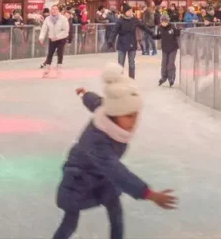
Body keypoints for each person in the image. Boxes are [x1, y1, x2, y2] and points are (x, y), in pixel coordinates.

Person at [52, 63, 177, 239]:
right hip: (79, 175)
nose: (133, 121)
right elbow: (116, 172)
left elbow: (96, 102)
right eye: (128, 116)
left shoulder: (109, 109)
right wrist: (148, 194)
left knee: (115, 211)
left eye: (135, 114)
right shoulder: (98, 142)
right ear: (116, 113)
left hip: (101, 176)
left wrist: (85, 94)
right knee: (70, 220)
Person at [114, 6, 156, 79]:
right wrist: (110, 41)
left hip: (131, 43)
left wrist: (151, 33)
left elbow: (143, 27)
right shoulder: (120, 21)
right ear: (125, 12)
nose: (131, 12)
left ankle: (131, 79)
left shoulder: (134, 20)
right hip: (122, 44)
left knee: (132, 64)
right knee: (120, 64)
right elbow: (114, 31)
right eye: (129, 11)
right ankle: (119, 79)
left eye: (131, 11)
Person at [40, 4, 71, 78]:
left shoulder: (63, 18)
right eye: (52, 9)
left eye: (55, 9)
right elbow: (44, 29)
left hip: (62, 38)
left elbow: (66, 30)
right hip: (52, 38)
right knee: (50, 53)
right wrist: (41, 37)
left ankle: (59, 68)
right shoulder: (47, 19)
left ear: (58, 10)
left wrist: (57, 37)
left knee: (60, 53)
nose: (54, 11)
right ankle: (47, 69)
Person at [157, 14, 180, 87]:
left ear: (168, 21)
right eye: (162, 22)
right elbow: (158, 37)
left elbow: (177, 34)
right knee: (164, 63)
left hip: (173, 48)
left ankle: (171, 78)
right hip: (165, 49)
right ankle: (164, 77)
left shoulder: (172, 27)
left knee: (170, 63)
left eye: (165, 21)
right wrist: (159, 45)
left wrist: (179, 31)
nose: (164, 23)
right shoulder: (159, 28)